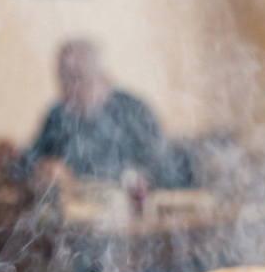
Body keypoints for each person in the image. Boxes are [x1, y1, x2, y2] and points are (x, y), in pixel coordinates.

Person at [18, 40, 183, 189]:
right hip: (74, 217)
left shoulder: (134, 112)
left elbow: (165, 174)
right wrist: (41, 168)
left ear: (103, 78)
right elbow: (30, 164)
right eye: (63, 77)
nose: (68, 87)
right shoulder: (57, 115)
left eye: (77, 77)